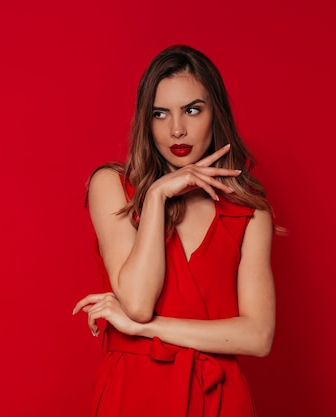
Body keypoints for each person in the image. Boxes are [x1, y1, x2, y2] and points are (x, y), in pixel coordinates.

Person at [73, 45, 276, 417]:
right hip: (132, 394)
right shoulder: (113, 185)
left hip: (219, 398)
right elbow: (137, 301)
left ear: (217, 114)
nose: (176, 129)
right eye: (160, 113)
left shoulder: (249, 211)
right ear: (145, 121)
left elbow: (258, 337)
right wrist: (155, 197)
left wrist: (143, 329)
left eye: (192, 110)